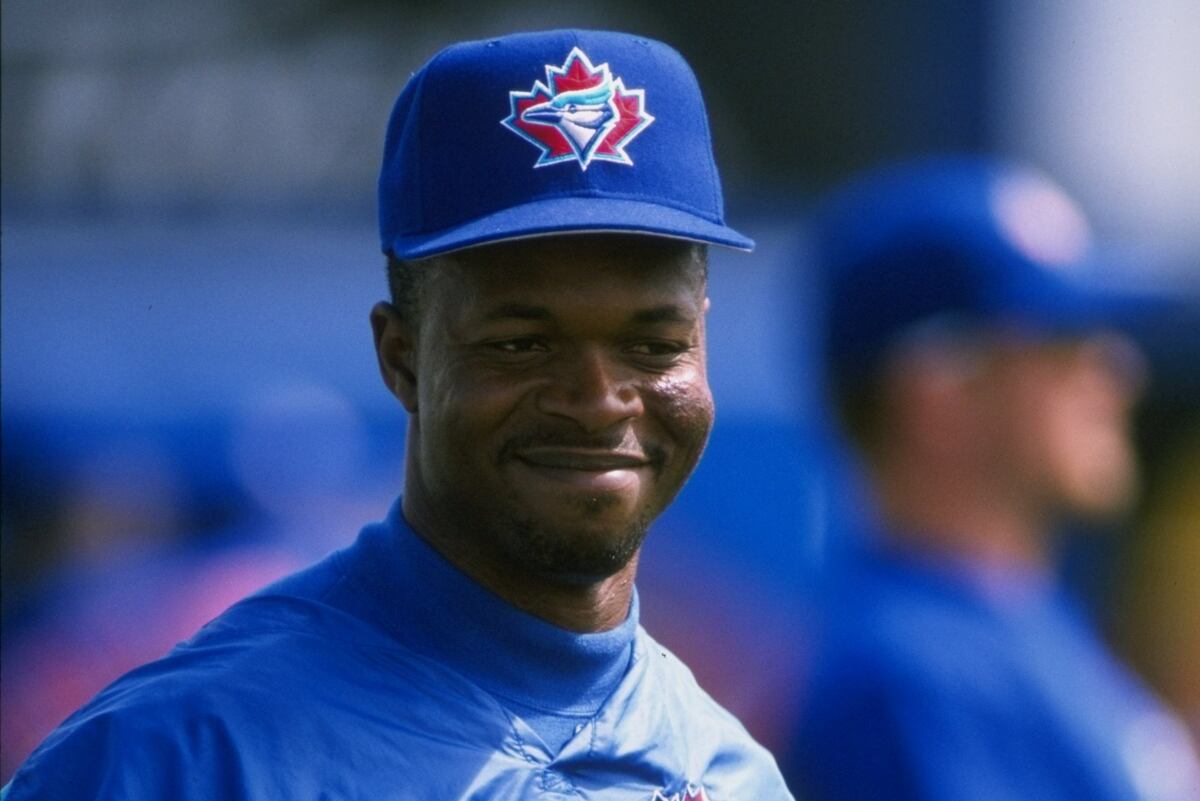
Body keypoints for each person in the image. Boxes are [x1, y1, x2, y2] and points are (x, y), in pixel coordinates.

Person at [4, 30, 793, 800]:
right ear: (402, 356)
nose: (596, 398)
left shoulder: (729, 772)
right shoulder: (185, 756)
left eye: (653, 345)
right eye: (521, 344)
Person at [780, 155, 1200, 801]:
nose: (1119, 372)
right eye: (1066, 340)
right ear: (938, 397)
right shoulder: (906, 680)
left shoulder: (1024, 621)